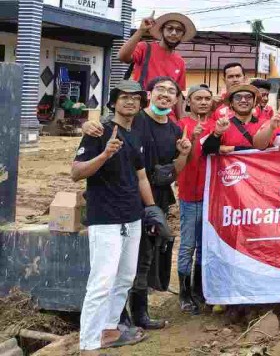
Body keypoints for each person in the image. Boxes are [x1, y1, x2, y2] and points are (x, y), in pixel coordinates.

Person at [82, 76, 190, 331]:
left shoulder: (175, 130)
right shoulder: (135, 119)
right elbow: (104, 127)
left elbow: (174, 171)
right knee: (115, 265)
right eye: (160, 89)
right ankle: (117, 320)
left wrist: (184, 154)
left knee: (143, 259)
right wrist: (88, 124)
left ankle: (139, 313)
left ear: (176, 99)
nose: (165, 94)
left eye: (171, 91)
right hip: (123, 198)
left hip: (155, 199)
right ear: (149, 96)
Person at [73, 80, 170, 354]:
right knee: (102, 280)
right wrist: (104, 154)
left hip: (132, 217)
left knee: (125, 278)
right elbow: (76, 172)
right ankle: (89, 341)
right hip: (105, 217)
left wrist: (152, 209)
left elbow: (140, 175)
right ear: (113, 102)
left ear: (140, 104)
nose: (130, 102)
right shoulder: (99, 131)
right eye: (124, 97)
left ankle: (109, 328)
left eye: (135, 98)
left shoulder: (134, 135)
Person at [176, 84, 215, 314]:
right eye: (198, 98)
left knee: (204, 246)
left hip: (213, 196)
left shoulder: (216, 125)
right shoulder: (181, 126)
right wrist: (193, 137)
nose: (202, 102)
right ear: (188, 101)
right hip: (189, 194)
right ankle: (183, 292)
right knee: (188, 245)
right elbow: (183, 160)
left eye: (207, 98)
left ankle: (200, 289)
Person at [118, 12, 195, 95]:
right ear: (162, 30)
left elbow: (178, 93)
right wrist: (141, 30)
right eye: (170, 28)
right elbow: (122, 57)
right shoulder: (144, 48)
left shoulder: (180, 62)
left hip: (166, 107)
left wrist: (180, 108)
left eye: (179, 30)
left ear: (182, 35)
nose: (174, 33)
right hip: (143, 105)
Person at [203, 84, 263, 154]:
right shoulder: (221, 125)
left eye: (248, 97)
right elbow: (207, 151)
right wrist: (217, 134)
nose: (243, 100)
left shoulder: (266, 125)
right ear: (231, 103)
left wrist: (232, 149)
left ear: (254, 102)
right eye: (238, 97)